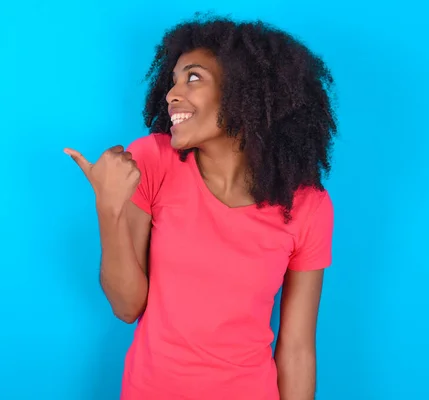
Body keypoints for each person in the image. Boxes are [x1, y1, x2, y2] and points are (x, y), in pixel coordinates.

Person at [64, 13, 337, 400]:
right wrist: (109, 209)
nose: (172, 94)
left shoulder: (307, 206)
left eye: (193, 78)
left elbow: (296, 349)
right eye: (173, 80)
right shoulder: (153, 161)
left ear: (246, 91)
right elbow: (127, 307)